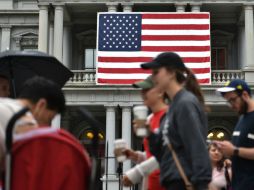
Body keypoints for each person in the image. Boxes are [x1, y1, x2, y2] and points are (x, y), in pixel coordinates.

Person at [141, 52, 211, 190]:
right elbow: (163, 153)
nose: (153, 77)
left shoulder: (185, 103)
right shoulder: (173, 106)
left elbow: (197, 146)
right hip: (172, 181)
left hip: (185, 181)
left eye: (156, 72)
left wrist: (201, 183)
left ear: (171, 72)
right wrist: (150, 134)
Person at [0, 76, 65, 163]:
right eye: (50, 118)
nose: (47, 124)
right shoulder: (26, 122)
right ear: (41, 105)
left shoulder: (4, 104)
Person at [121, 75, 168, 190]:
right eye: (142, 90)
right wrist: (135, 155)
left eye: (146, 89)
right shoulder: (150, 119)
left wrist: (135, 174)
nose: (142, 93)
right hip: (151, 184)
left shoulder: (170, 116)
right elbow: (151, 155)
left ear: (160, 92)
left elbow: (168, 153)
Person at [216, 79, 254, 190]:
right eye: (228, 101)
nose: (231, 105)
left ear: (245, 95)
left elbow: (237, 150)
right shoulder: (242, 118)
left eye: (233, 100)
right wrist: (227, 150)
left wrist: (234, 150)